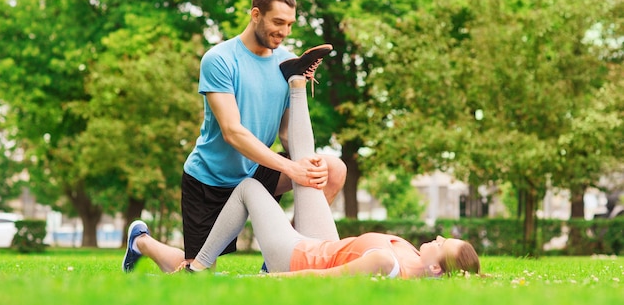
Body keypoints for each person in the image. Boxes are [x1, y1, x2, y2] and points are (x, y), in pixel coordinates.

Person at [125, 74, 480, 278]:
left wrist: (265, 280)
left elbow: (320, 279)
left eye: (442, 243)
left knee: (248, 187)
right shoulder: (413, 256)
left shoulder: (388, 264)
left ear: (436, 269)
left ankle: (190, 263)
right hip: (323, 244)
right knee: (312, 170)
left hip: (299, 257)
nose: (437, 236)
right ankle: (297, 80)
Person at [122, 0, 346, 273]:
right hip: (211, 181)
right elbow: (232, 132)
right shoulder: (220, 60)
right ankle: (141, 242)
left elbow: (287, 133)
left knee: (332, 169)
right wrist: (291, 168)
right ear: (256, 14)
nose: (285, 32)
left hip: (256, 170)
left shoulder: (286, 62)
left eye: (290, 24)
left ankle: (287, 255)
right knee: (197, 272)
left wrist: (306, 164)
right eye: (278, 22)